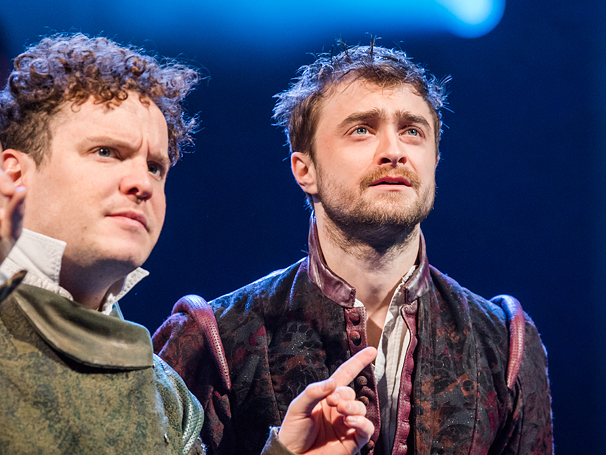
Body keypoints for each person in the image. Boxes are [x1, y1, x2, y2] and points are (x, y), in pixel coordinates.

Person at [0, 35, 377, 455]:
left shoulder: (167, 393)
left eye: (155, 166)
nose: (142, 183)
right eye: (106, 152)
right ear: (15, 173)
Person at [154, 43, 554, 455]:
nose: (394, 152)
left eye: (412, 131)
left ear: (435, 160)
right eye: (361, 129)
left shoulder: (505, 345)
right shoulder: (213, 339)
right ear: (304, 170)